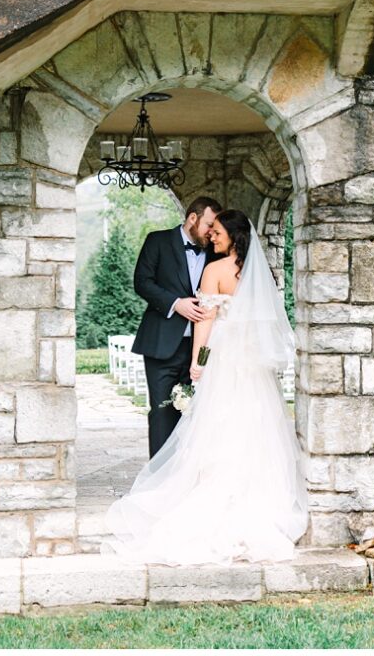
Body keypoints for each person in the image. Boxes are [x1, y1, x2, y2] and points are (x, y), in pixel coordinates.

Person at [109, 208, 307, 563]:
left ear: (233, 234)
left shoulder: (214, 271)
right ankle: (256, 500)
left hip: (225, 363)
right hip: (254, 367)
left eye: (217, 232)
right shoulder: (257, 275)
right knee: (256, 427)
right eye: (209, 230)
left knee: (217, 428)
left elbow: (205, 324)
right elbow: (265, 324)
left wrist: (197, 365)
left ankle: (213, 495)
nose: (212, 237)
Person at [130, 196, 221, 459]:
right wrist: (175, 304)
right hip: (162, 345)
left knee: (199, 414)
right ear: (193, 218)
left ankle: (186, 480)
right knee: (161, 411)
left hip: (204, 348)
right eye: (208, 225)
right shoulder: (157, 241)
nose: (212, 232)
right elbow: (142, 282)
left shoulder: (216, 250)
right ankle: (157, 479)